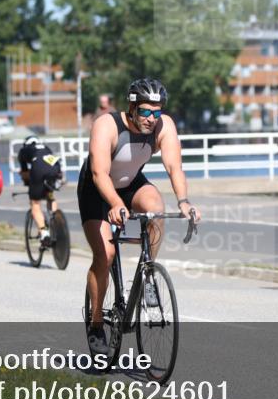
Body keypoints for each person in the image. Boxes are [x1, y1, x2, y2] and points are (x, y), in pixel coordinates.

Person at [77, 78, 201, 354]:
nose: (151, 118)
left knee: (155, 207)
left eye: (157, 112)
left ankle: (147, 276)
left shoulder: (163, 126)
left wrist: (184, 201)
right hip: (97, 189)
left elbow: (174, 166)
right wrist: (114, 203)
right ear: (132, 108)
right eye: (146, 111)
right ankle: (96, 323)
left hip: (130, 182)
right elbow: (99, 173)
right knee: (105, 256)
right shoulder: (107, 125)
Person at [17, 135, 63, 245]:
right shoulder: (45, 148)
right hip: (55, 167)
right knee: (49, 196)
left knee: (35, 203)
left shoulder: (23, 150)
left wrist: (28, 183)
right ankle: (55, 221)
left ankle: (44, 233)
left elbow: (25, 173)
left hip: (38, 168)